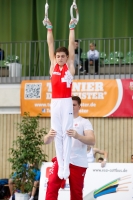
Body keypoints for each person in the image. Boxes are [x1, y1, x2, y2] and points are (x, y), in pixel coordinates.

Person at [43, 15, 77, 180]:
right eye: (58, 56)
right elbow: (50, 43)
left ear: (67, 57)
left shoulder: (69, 66)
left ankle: (66, 168)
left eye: (63, 56)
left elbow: (71, 45)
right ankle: (60, 168)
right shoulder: (53, 66)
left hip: (66, 102)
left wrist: (72, 28)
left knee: (67, 133)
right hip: (55, 102)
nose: (61, 58)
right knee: (57, 133)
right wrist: (49, 28)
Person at [44, 96, 95, 200]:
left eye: (74, 105)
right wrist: (49, 136)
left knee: (76, 193)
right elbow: (46, 141)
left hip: (78, 162)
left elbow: (92, 140)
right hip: (61, 160)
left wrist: (78, 136)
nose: (71, 107)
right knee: (51, 185)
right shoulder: (60, 121)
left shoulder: (84, 122)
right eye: (69, 105)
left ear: (79, 107)